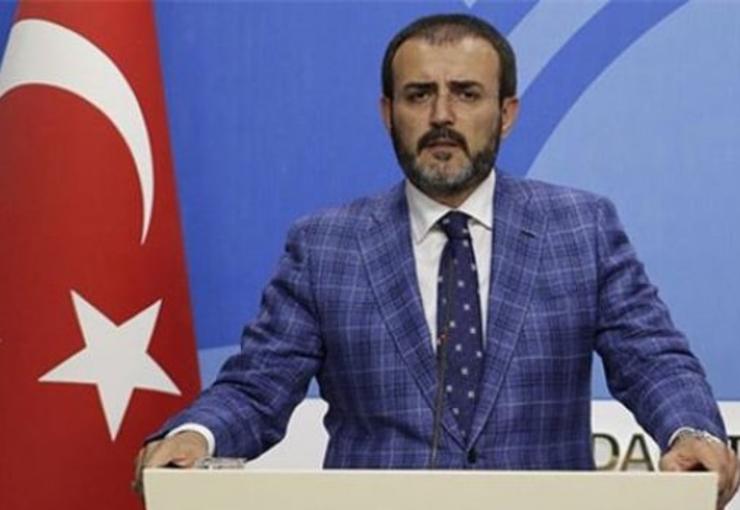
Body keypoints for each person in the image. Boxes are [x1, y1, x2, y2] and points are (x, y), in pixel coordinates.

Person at [135, 13, 739, 506]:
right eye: (419, 95)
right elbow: (257, 387)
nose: (442, 116)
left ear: (506, 114)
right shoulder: (325, 246)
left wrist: (692, 431)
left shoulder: (582, 228)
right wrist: (196, 435)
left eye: (466, 94)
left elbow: (652, 359)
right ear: (387, 113)